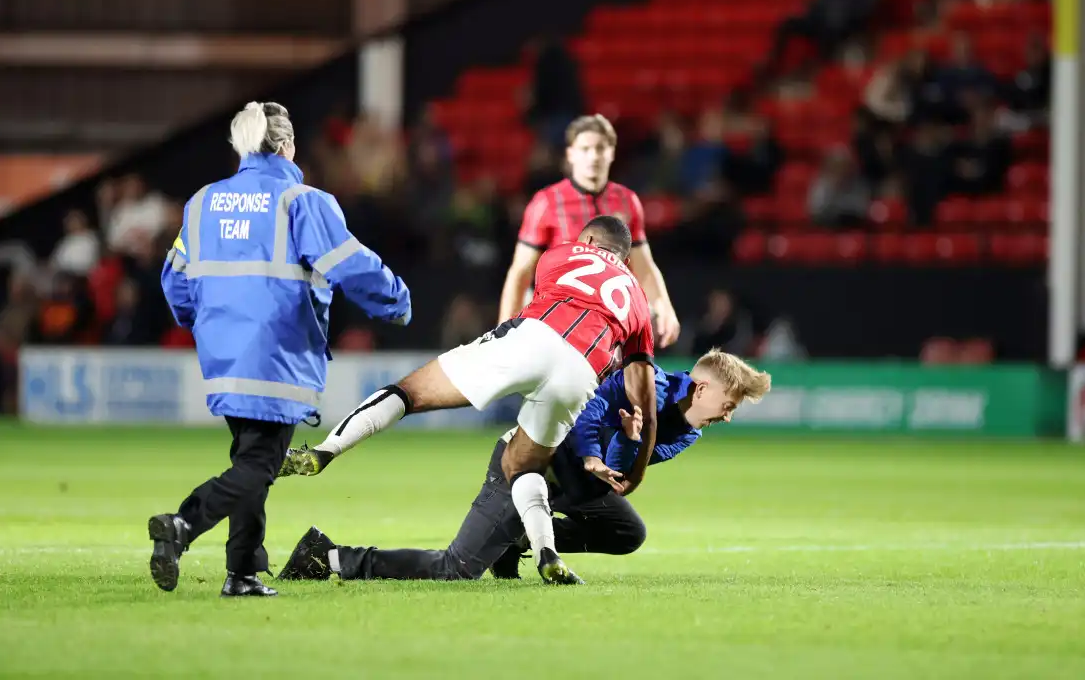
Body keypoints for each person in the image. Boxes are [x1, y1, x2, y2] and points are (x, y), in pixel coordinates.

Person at [280, 215, 657, 585]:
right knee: (524, 468)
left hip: (534, 338)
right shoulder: (637, 300)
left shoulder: (561, 253)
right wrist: (633, 476)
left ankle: (325, 451)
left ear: (587, 242)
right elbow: (645, 405)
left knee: (409, 393)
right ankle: (545, 553)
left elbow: (544, 309)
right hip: (579, 376)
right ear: (624, 260)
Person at [148, 101, 412, 597]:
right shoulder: (302, 200)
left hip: (223, 356)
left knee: (252, 460)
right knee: (259, 466)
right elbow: (350, 264)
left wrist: (203, 321)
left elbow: (174, 281)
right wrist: (396, 301)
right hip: (278, 355)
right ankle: (182, 525)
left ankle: (242, 572)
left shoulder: (203, 202)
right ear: (288, 145)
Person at [275, 350, 772, 583]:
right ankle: (330, 556)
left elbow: (627, 472)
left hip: (571, 482)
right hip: (523, 459)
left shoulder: (687, 430)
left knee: (627, 532)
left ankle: (517, 544)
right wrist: (601, 449)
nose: (730, 414)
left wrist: (628, 442)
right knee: (457, 569)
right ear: (704, 389)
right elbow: (587, 409)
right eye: (731, 402)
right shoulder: (648, 384)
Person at [497, 114, 681, 349]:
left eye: (600, 148)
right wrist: (504, 327)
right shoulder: (546, 202)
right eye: (585, 149)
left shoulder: (627, 201)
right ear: (571, 154)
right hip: (557, 313)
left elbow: (643, 265)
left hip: (609, 313)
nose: (593, 156)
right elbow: (520, 272)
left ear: (612, 152)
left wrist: (665, 306)